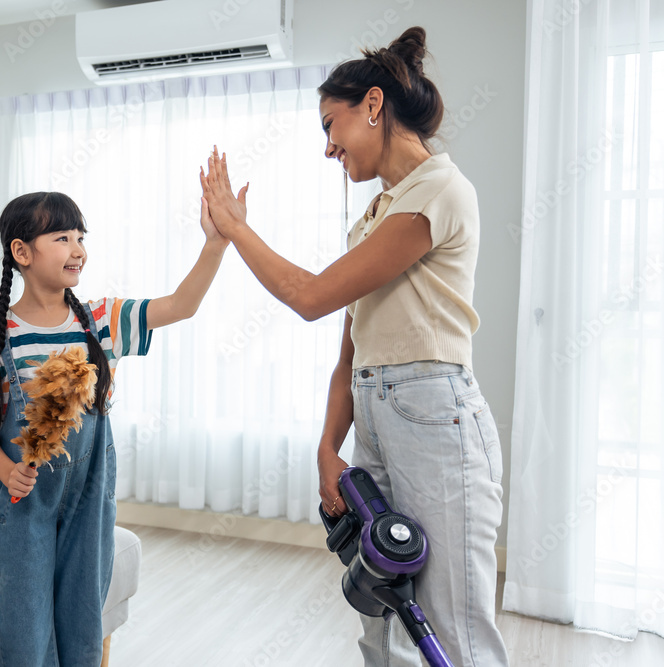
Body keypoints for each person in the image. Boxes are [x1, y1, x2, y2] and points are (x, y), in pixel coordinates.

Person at [201, 26, 509, 667]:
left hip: (435, 417)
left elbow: (309, 296)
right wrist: (325, 447)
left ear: (373, 105)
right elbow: (351, 348)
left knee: (451, 628)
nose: (327, 147)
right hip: (376, 411)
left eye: (329, 126)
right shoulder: (372, 217)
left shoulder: (439, 193)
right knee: (383, 612)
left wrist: (234, 228)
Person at [0, 190, 227, 666]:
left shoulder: (101, 321)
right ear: (22, 252)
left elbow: (181, 304)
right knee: (25, 616)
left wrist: (215, 243)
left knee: (82, 610)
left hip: (88, 495)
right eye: (62, 237)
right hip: (21, 499)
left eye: (81, 237)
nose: (78, 249)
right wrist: (3, 469)